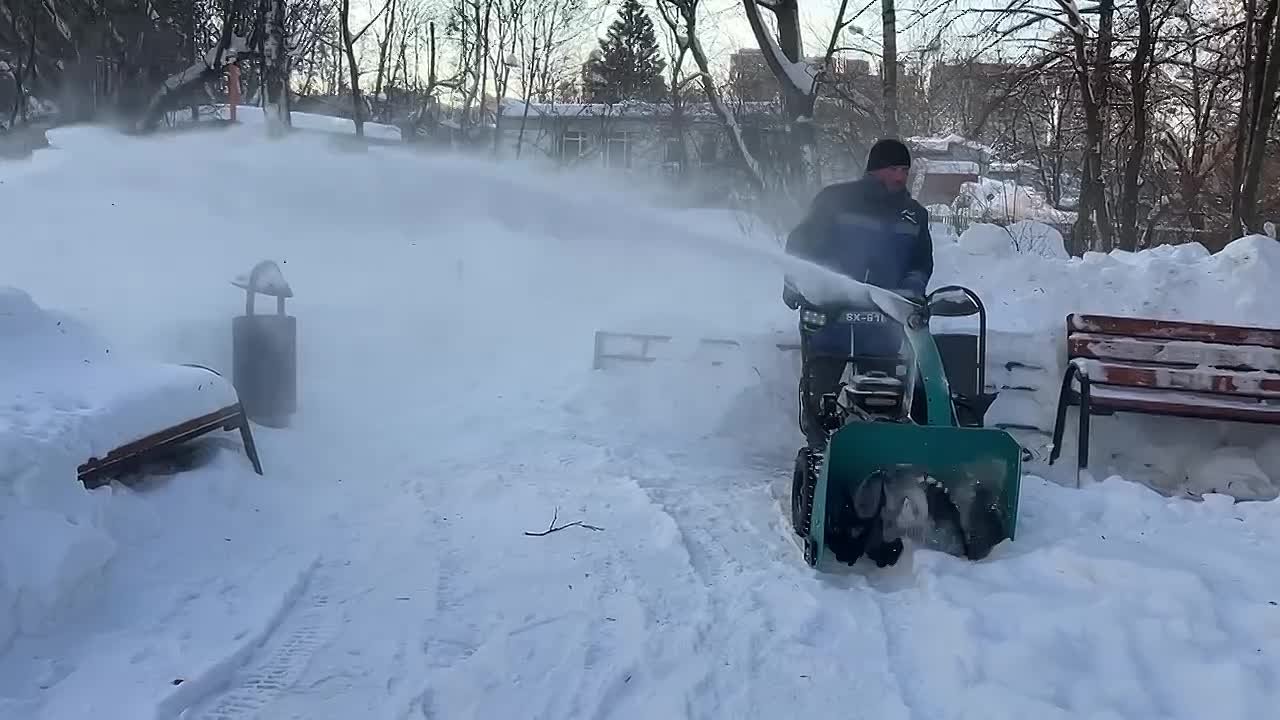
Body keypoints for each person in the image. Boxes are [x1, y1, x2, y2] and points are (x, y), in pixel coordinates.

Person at [782, 138, 934, 446]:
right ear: (875, 170)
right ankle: (819, 446)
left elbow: (920, 264)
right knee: (821, 386)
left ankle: (872, 449)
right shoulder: (834, 201)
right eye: (893, 168)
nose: (900, 176)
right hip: (831, 311)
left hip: (883, 318)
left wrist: (907, 294)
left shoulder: (914, 215)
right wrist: (796, 282)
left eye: (905, 169)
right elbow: (801, 245)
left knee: (883, 392)